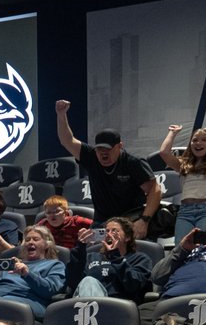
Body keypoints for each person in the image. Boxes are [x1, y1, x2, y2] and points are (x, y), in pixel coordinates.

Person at [55, 100, 161, 236]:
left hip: (130, 221)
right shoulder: (91, 156)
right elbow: (67, 140)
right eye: (100, 149)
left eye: (108, 149)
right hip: (102, 221)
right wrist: (61, 114)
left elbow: (154, 190)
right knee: (93, 251)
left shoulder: (133, 162)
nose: (103, 153)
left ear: (120, 146)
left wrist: (144, 221)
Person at [0, 226, 65, 318]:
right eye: (27, 240)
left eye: (36, 239)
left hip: (29, 302)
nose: (30, 242)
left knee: (0, 305)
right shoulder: (10, 264)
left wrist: (27, 274)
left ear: (47, 244)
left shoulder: (54, 265)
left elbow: (50, 290)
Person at [71, 217, 152, 301]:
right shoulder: (91, 257)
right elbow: (73, 282)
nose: (109, 234)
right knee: (88, 281)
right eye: (106, 231)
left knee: (89, 281)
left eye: (114, 231)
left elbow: (134, 286)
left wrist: (115, 256)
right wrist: (79, 248)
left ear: (127, 237)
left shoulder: (140, 258)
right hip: (84, 304)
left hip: (117, 305)